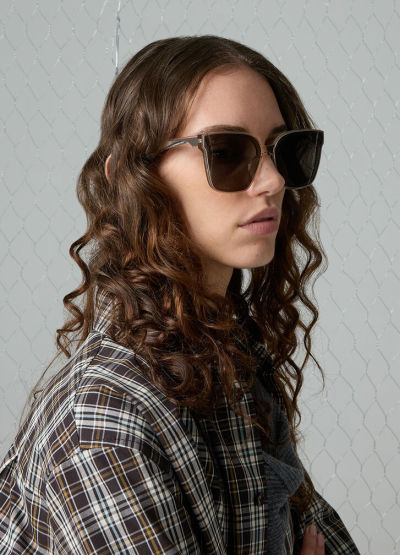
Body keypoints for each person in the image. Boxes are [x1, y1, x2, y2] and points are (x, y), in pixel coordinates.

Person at [0, 35, 360, 554]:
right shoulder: (107, 423)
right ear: (131, 178)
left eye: (284, 150)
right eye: (227, 153)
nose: (272, 181)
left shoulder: (229, 359)